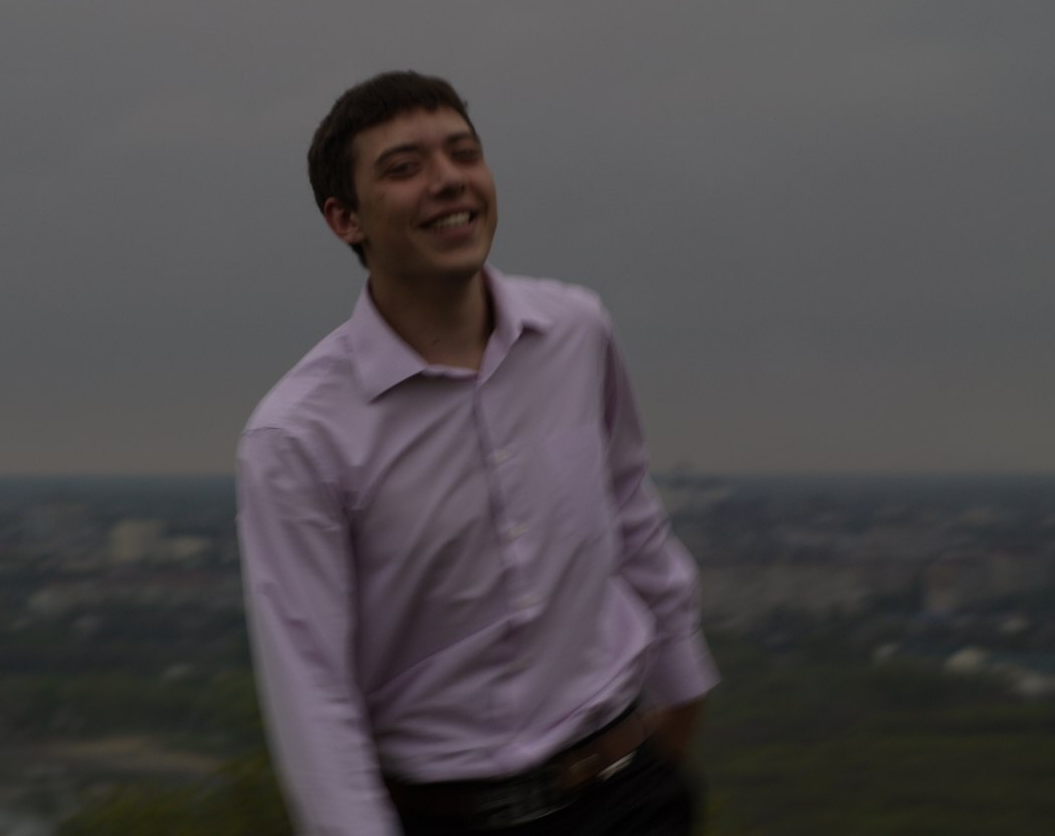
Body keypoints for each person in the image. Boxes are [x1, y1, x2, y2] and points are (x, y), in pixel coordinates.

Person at [236, 71, 719, 835]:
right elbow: (312, 693)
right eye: (405, 167)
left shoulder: (577, 332)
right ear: (345, 218)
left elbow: (630, 511)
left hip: (627, 792)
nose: (448, 179)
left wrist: (684, 693)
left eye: (464, 153)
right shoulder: (298, 436)